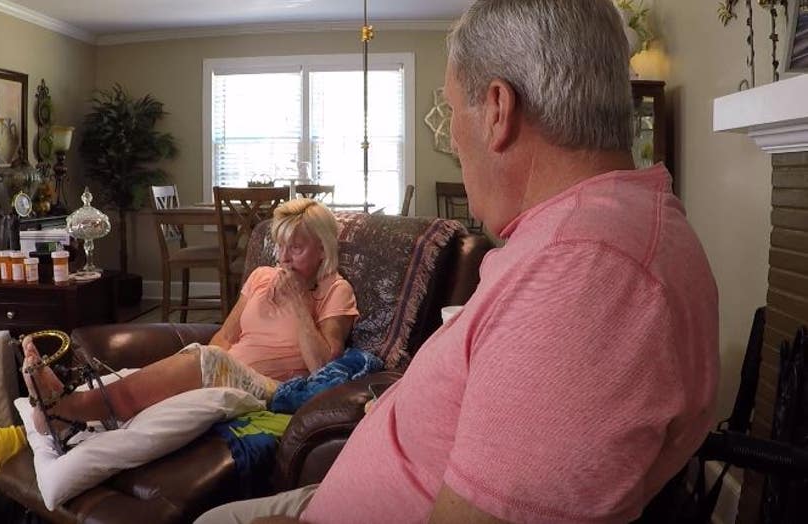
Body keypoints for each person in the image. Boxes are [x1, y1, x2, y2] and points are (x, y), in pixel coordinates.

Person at [197, 1, 720, 523]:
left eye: (451, 111)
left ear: (497, 109)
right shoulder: (591, 232)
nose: (450, 137)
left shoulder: (585, 275)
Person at [0, 198, 359, 476]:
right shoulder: (263, 276)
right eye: (280, 248)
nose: (284, 259)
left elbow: (325, 366)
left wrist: (299, 306)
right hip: (225, 373)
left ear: (322, 249)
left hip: (270, 390)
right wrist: (197, 375)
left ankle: (69, 406)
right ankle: (14, 439)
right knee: (169, 370)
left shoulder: (334, 290)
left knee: (200, 363)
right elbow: (224, 338)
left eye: (296, 250)